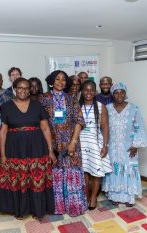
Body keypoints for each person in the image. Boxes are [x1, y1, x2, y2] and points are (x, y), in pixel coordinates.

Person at [0, 78, 56, 220]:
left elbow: (45, 128)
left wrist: (50, 150)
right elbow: (3, 132)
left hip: (37, 147)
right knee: (18, 179)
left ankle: (38, 210)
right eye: (20, 88)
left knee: (37, 178)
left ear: (30, 90)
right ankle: (20, 210)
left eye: (26, 88)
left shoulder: (37, 106)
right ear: (14, 89)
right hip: (15, 149)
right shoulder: (6, 106)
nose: (23, 90)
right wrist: (3, 154)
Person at [40, 70, 87, 217]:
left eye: (63, 80)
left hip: (71, 142)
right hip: (52, 143)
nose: (60, 82)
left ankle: (74, 206)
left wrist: (73, 142)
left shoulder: (71, 98)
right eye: (57, 79)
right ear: (51, 81)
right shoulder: (43, 99)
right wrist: (48, 146)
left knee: (72, 173)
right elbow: (41, 123)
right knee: (55, 174)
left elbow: (79, 120)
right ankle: (58, 207)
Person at [102, 82, 147, 207]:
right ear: (113, 94)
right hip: (112, 147)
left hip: (129, 147)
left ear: (125, 94)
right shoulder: (107, 108)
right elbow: (103, 127)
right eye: (116, 92)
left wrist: (136, 144)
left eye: (122, 92)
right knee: (114, 169)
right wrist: (104, 145)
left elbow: (140, 128)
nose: (119, 95)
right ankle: (114, 195)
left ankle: (128, 196)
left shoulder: (134, 108)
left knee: (128, 170)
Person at [79, 80, 112, 210]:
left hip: (95, 144)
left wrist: (105, 145)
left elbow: (105, 127)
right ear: (82, 91)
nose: (89, 93)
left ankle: (93, 198)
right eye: (86, 90)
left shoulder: (100, 106)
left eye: (92, 90)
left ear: (95, 91)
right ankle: (87, 196)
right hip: (81, 144)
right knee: (85, 173)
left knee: (96, 173)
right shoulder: (77, 106)